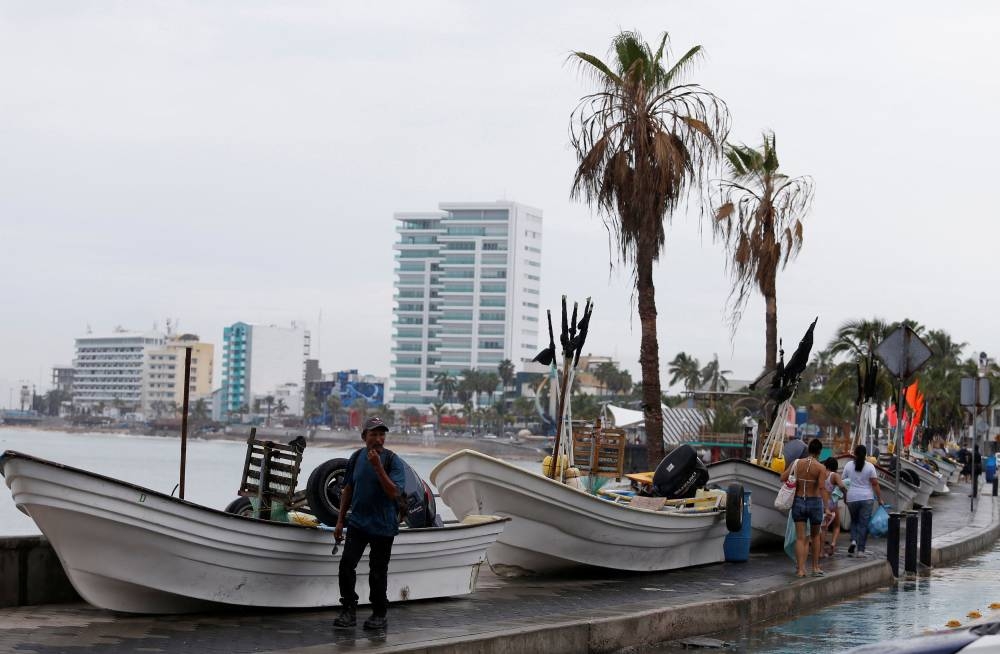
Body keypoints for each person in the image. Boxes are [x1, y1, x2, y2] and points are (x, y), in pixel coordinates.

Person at [333, 416, 406, 631]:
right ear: (364, 436)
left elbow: (394, 492)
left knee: (377, 571)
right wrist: (339, 521)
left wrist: (378, 468)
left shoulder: (393, 461)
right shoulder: (356, 458)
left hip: (383, 526)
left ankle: (379, 613)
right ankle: (348, 609)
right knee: (346, 565)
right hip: (357, 523)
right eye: (373, 434)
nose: (378, 439)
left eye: (382, 434)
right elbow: (347, 490)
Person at [780, 438, 829, 577]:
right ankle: (815, 567)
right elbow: (821, 487)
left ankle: (801, 570)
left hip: (799, 502)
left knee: (800, 538)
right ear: (819, 452)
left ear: (808, 450)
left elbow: (782, 477)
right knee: (815, 536)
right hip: (814, 503)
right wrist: (827, 507)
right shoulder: (820, 467)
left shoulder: (797, 463)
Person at [843, 444, 884, 558]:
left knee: (854, 521)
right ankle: (861, 551)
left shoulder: (848, 465)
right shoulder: (870, 467)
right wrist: (880, 499)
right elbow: (875, 484)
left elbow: (843, 483)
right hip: (866, 498)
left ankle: (853, 541)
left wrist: (845, 496)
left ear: (854, 454)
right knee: (863, 524)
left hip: (852, 497)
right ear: (865, 455)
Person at [821, 457, 848, 557]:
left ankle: (821, 551)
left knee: (823, 528)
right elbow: (842, 486)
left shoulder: (821, 474)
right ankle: (833, 543)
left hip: (821, 502)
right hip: (832, 503)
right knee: (836, 525)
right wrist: (845, 495)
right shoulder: (834, 475)